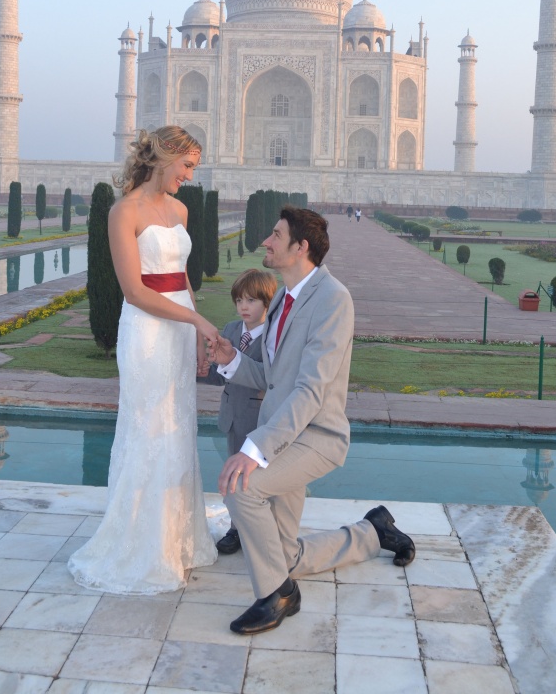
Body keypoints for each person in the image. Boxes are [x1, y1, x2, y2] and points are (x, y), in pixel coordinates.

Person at [208, 206, 415, 634]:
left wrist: (255, 448)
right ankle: (373, 532)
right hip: (288, 436)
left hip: (315, 437)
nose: (266, 241)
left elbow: (310, 390)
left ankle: (277, 596)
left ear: (301, 247)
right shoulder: (285, 296)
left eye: (276, 235)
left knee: (239, 486)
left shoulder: (333, 299)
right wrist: (232, 362)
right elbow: (271, 377)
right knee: (285, 559)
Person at [68, 126, 219, 595]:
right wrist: (194, 323)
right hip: (148, 333)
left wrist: (196, 324)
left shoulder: (179, 209)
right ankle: (141, 545)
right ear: (162, 158)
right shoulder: (124, 212)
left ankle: (177, 541)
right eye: (187, 166)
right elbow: (135, 291)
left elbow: (181, 278)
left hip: (178, 327)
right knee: (148, 427)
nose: (190, 176)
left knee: (178, 426)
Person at [206, 268, 278, 555]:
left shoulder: (274, 337)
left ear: (267, 302)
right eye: (239, 301)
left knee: (259, 481)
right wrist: (199, 369)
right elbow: (220, 374)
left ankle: (261, 530)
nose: (243, 307)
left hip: (259, 420)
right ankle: (236, 528)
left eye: (251, 301)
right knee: (234, 478)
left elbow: (268, 379)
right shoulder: (232, 330)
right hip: (232, 417)